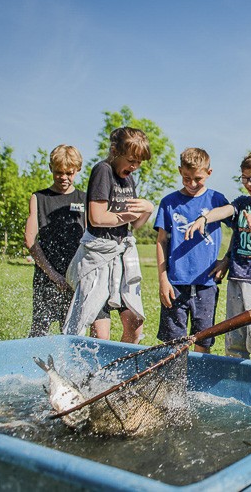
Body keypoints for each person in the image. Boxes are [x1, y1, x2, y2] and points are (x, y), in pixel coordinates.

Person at [185, 151, 251, 361]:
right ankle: (235, 385)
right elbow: (225, 210)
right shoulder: (240, 203)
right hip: (237, 278)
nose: (249, 183)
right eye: (245, 178)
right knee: (235, 342)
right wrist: (205, 218)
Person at [63, 127, 155, 343]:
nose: (134, 166)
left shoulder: (129, 180)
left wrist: (149, 209)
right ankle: (93, 373)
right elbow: (97, 217)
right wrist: (127, 216)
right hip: (99, 255)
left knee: (134, 322)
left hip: (121, 255)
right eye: (131, 160)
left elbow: (135, 225)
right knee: (99, 333)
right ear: (115, 150)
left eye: (139, 162)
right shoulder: (103, 170)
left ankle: (120, 370)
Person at [154, 147, 229, 353]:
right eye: (186, 178)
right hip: (175, 284)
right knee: (173, 345)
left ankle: (197, 383)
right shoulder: (168, 203)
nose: (192, 184)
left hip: (206, 284)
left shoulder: (217, 200)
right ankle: (173, 383)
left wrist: (226, 260)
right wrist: (163, 279)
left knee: (203, 341)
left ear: (209, 173)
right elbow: (161, 241)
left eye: (198, 178)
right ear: (179, 171)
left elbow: (239, 230)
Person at [24, 144, 87, 337]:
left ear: (77, 170)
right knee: (39, 330)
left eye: (69, 173)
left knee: (71, 333)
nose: (64, 178)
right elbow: (30, 240)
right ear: (51, 168)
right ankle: (29, 365)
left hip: (75, 276)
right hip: (46, 273)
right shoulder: (39, 198)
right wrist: (53, 275)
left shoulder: (84, 199)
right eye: (59, 172)